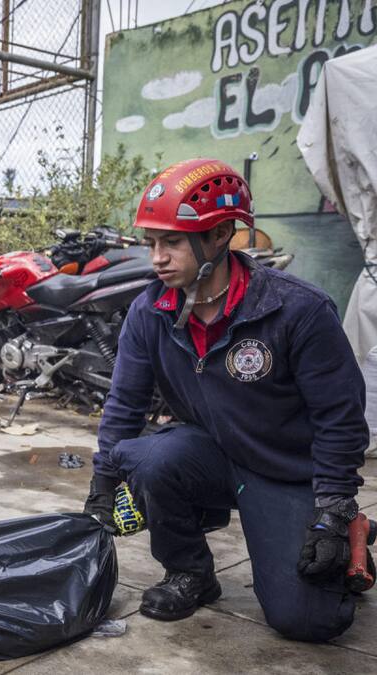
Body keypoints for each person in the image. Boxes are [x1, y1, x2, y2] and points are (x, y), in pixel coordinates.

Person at [83, 158, 368, 641]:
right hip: (211, 456)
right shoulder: (149, 310)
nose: (157, 258)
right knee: (150, 457)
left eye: (171, 241)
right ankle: (191, 572)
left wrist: (334, 509)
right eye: (151, 242)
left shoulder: (298, 309)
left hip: (287, 472)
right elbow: (124, 404)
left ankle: (354, 533)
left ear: (219, 236)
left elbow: (339, 418)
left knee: (308, 622)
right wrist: (103, 482)